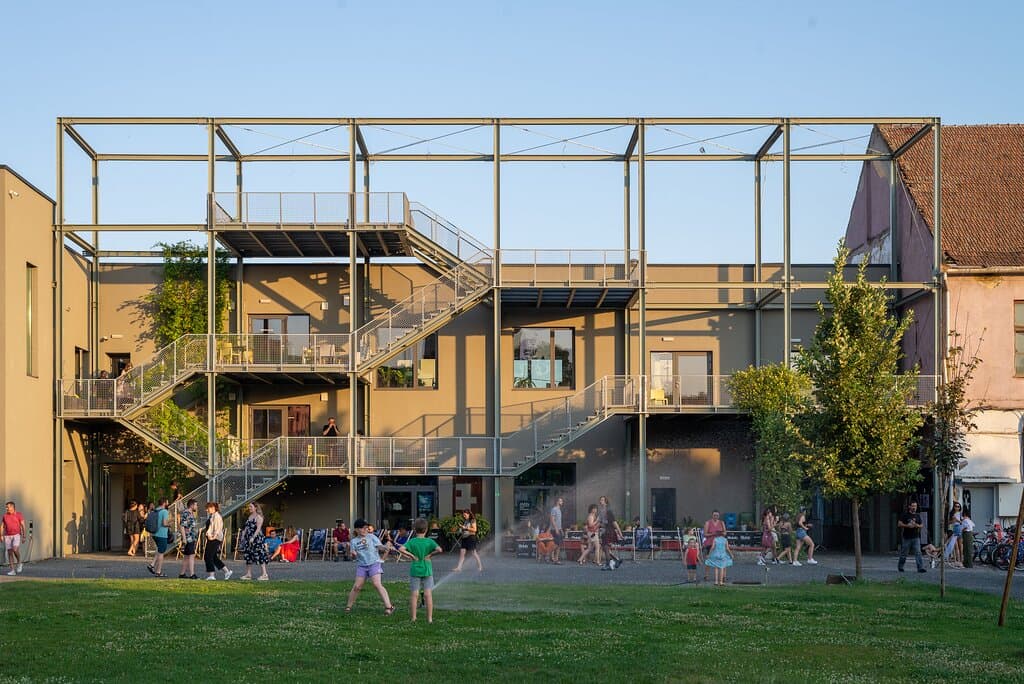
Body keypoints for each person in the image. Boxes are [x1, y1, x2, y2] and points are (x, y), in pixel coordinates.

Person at [344, 519, 396, 616]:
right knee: (357, 587)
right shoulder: (354, 541)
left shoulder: (372, 537)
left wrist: (386, 547)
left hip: (374, 563)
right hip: (362, 566)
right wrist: (353, 554)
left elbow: (380, 546)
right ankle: (348, 606)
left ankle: (389, 607)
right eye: (362, 528)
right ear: (356, 529)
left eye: (366, 528)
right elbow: (352, 554)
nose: (365, 530)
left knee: (377, 584)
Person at [399, 517, 441, 623]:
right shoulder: (429, 541)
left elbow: (401, 549)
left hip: (415, 570)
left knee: (414, 595)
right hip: (427, 570)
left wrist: (411, 555)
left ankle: (413, 618)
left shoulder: (412, 541)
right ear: (426, 529)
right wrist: (430, 555)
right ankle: (429, 619)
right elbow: (439, 550)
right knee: (428, 595)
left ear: (414, 529)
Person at [239, 502, 270, 580]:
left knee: (260, 555)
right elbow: (246, 527)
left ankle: (265, 574)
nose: (249, 508)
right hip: (248, 539)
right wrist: (243, 536)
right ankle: (248, 574)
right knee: (248, 556)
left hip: (257, 539)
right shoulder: (250, 516)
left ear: (255, 507)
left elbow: (258, 529)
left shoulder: (259, 517)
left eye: (251, 506)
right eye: (249, 507)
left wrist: (253, 537)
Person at [203, 501, 232, 580]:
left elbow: (218, 528)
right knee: (214, 557)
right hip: (212, 538)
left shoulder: (217, 516)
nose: (206, 510)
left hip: (214, 538)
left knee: (208, 556)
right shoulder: (212, 516)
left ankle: (211, 575)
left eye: (207, 508)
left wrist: (213, 537)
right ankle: (226, 572)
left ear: (213, 508)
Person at [897, 500, 926, 573]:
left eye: (915, 506)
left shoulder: (917, 516)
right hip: (907, 537)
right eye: (913, 506)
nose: (914, 508)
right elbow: (899, 524)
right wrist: (907, 526)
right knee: (904, 553)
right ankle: (900, 567)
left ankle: (920, 568)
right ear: (909, 506)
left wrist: (916, 525)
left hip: (916, 537)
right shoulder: (905, 515)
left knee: (918, 552)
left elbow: (921, 525)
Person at [145, 498, 171, 577]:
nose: (168, 503)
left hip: (155, 534)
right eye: (167, 502)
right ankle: (158, 572)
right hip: (162, 535)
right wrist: (170, 523)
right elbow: (164, 523)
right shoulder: (165, 511)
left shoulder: (156, 510)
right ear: (164, 503)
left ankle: (152, 565)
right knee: (161, 553)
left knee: (159, 551)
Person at [597, 496, 623, 570]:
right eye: (600, 500)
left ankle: (608, 564)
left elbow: (614, 522)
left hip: (609, 531)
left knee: (605, 547)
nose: (600, 501)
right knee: (605, 548)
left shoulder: (609, 511)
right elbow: (599, 522)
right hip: (604, 531)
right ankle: (616, 560)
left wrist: (620, 533)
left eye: (602, 500)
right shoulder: (602, 511)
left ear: (606, 502)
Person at [177, 499, 199, 579]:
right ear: (192, 505)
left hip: (191, 537)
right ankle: (192, 574)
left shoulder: (191, 513)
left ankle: (182, 574)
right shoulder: (185, 513)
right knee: (191, 555)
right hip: (188, 537)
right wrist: (184, 538)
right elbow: (182, 526)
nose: (197, 506)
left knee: (186, 556)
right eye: (196, 505)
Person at [3, 501, 26, 575]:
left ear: (12, 507)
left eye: (8, 507)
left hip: (16, 534)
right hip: (7, 536)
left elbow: (23, 525)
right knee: (10, 553)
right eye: (6, 507)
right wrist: (1, 535)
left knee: (15, 549)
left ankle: (19, 562)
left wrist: (24, 536)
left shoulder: (19, 514)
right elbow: (2, 526)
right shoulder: (5, 516)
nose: (6, 508)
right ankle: (12, 570)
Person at [702, 510, 726, 580]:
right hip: (710, 542)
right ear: (712, 515)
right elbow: (705, 534)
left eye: (717, 515)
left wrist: (720, 533)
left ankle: (723, 576)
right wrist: (713, 534)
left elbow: (725, 533)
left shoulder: (722, 523)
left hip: (719, 543)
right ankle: (706, 575)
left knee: (722, 559)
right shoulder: (708, 523)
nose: (716, 517)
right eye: (714, 515)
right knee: (709, 558)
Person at [548, 496, 564, 564]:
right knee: (556, 544)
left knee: (559, 544)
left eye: (562, 501)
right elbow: (552, 519)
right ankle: (548, 554)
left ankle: (556, 559)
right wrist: (556, 528)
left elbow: (558, 521)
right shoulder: (554, 509)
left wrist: (561, 529)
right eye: (560, 501)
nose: (562, 502)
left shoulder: (559, 510)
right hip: (554, 529)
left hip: (559, 529)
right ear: (557, 502)